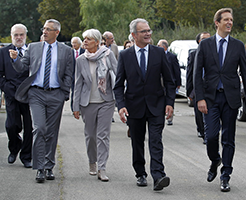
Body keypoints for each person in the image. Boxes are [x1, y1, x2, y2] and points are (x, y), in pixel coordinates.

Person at [195, 8, 246, 192]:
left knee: (228, 138)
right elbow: (197, 74)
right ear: (217, 23)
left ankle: (225, 175)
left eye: (231, 20)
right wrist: (200, 98)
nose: (229, 22)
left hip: (231, 97)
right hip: (210, 98)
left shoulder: (237, 46)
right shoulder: (205, 45)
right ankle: (215, 160)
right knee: (211, 136)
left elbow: (245, 72)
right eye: (226, 20)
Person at [9, 19, 74, 183]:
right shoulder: (33, 47)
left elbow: (68, 74)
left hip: (55, 95)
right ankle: (39, 168)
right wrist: (16, 59)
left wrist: (64, 94)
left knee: (51, 132)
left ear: (56, 33)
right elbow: (22, 68)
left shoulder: (66, 51)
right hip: (36, 94)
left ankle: (49, 166)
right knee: (39, 129)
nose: (44, 32)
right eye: (44, 29)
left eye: (48, 29)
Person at [114, 18, 175, 191]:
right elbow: (118, 85)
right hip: (134, 106)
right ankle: (140, 173)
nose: (148, 34)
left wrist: (170, 103)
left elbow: (170, 81)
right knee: (137, 142)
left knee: (156, 141)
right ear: (134, 35)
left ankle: (158, 176)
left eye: (149, 30)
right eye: (144, 31)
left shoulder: (158, 53)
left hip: (157, 105)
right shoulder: (125, 55)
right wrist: (121, 106)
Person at [72, 29, 118, 182]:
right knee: (90, 135)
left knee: (102, 135)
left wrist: (120, 98)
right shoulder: (81, 60)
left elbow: (117, 75)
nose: (85, 41)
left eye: (89, 39)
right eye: (84, 39)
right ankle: (93, 161)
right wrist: (75, 106)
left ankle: (102, 168)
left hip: (106, 101)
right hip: (87, 102)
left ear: (97, 42)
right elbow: (77, 83)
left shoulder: (107, 55)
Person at [0, 24, 33, 168]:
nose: (18, 38)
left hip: (29, 94)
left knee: (29, 126)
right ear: (11, 36)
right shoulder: (3, 52)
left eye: (21, 35)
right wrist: (6, 88)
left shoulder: (32, 51)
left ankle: (26, 156)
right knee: (11, 125)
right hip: (11, 93)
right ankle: (14, 147)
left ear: (26, 35)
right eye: (16, 35)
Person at [186, 31, 210, 142]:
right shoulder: (193, 54)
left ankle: (208, 133)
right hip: (197, 88)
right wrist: (189, 91)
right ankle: (202, 131)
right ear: (199, 41)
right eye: (204, 39)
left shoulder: (215, 53)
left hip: (211, 88)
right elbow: (190, 73)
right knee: (199, 113)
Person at [156, 39, 181, 125]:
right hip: (159, 83)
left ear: (164, 47)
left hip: (170, 83)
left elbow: (176, 70)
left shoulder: (172, 57)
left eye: (158, 46)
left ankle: (170, 118)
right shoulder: (156, 56)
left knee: (170, 100)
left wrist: (178, 83)